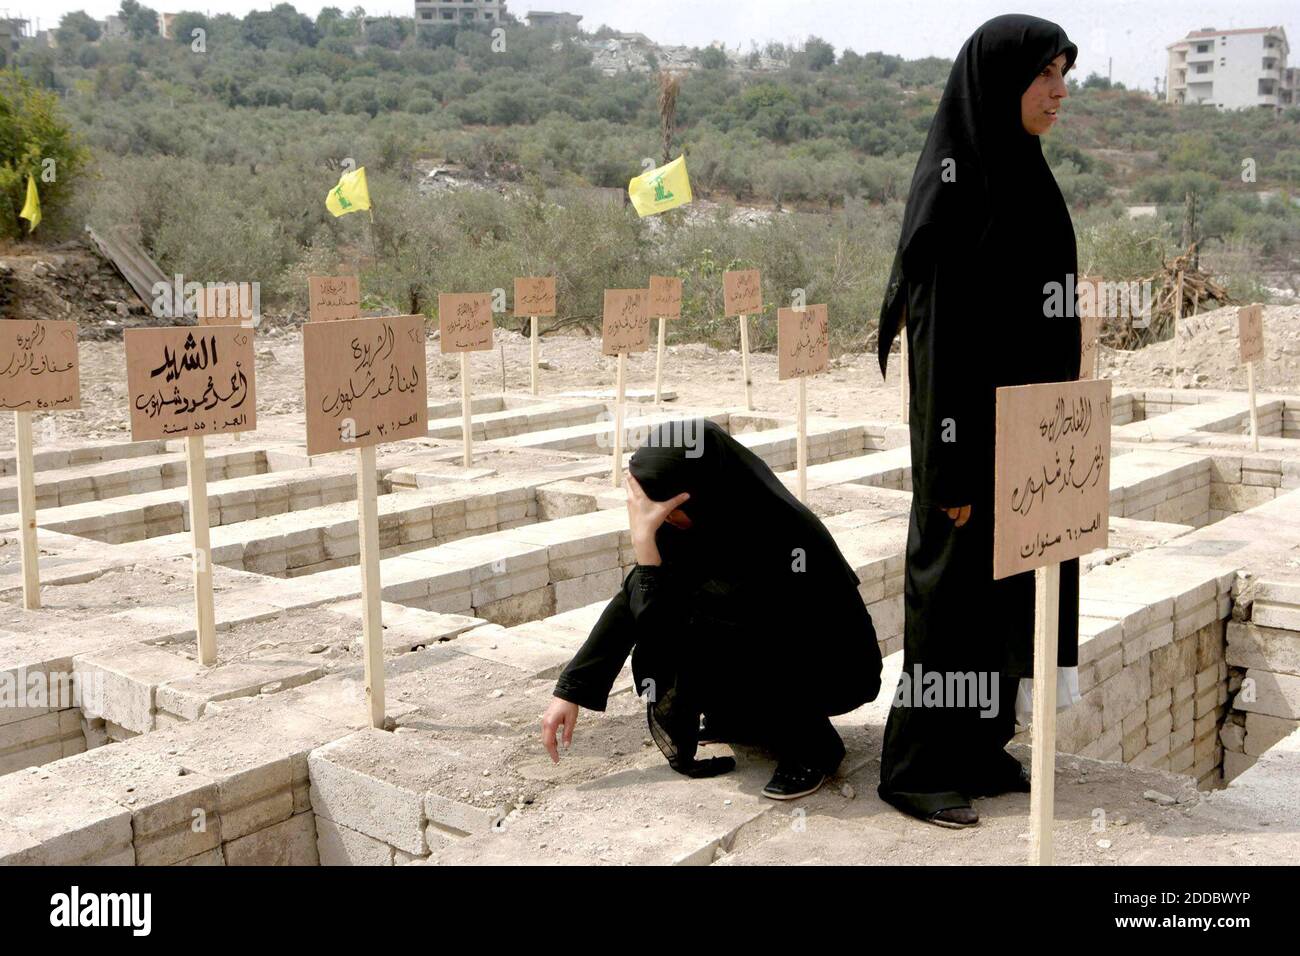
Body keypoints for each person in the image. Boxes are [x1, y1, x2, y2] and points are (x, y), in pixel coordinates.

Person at [875, 14, 1084, 828]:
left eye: (1064, 72)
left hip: (1027, 439)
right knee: (950, 595)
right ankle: (916, 764)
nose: (1060, 90)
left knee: (1006, 592)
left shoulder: (1022, 170)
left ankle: (976, 742)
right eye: (1044, 74)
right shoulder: (957, 191)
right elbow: (941, 348)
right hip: (966, 438)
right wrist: (953, 467)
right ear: (1001, 83)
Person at [540, 419, 883, 799]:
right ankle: (748, 719)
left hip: (833, 668)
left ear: (702, 491)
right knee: (686, 618)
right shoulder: (694, 524)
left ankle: (814, 747)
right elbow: (630, 604)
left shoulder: (777, 533)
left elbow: (672, 631)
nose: (659, 522)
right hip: (764, 653)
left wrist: (646, 554)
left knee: (702, 629)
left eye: (668, 510)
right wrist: (570, 690)